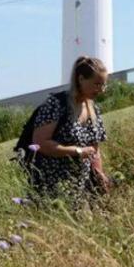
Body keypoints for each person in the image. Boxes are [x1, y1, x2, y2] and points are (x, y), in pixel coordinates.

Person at [29, 56, 110, 203]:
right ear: (81, 79)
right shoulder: (57, 104)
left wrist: (99, 174)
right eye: (97, 84)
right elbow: (40, 142)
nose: (101, 90)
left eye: (104, 85)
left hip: (82, 186)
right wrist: (78, 151)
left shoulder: (94, 109)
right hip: (53, 186)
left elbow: (94, 149)